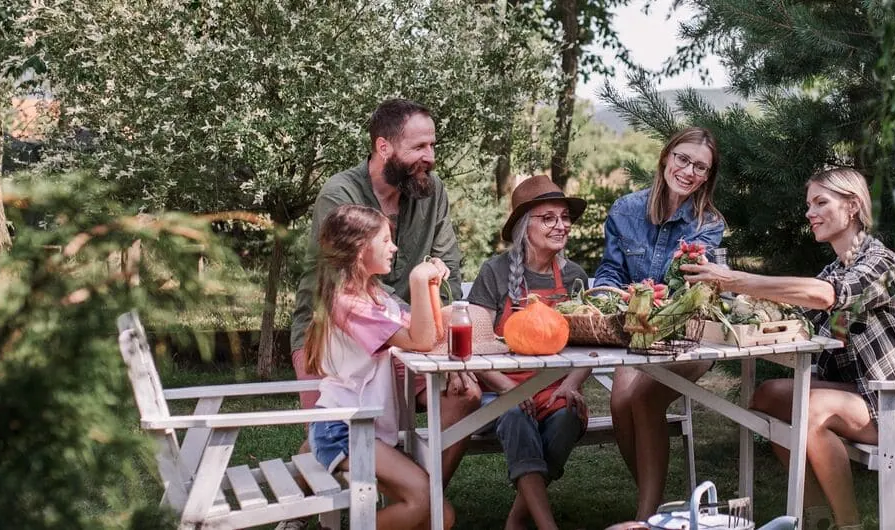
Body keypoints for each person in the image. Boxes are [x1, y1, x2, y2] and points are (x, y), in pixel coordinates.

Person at [679, 168, 895, 530]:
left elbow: (829, 296)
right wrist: (733, 301)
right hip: (873, 396)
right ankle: (816, 520)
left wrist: (738, 279)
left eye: (820, 202)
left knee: (809, 410)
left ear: (853, 207)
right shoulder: (837, 267)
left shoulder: (882, 263)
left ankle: (848, 526)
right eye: (808, 204)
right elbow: (809, 323)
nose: (810, 212)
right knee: (767, 396)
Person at [288, 98, 480, 488]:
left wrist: (438, 347)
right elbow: (347, 285)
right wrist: (416, 328)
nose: (430, 157)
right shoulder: (339, 193)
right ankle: (301, 510)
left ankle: (423, 501)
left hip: (408, 334)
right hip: (332, 336)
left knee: (465, 395)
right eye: (419, 148)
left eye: (433, 146)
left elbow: (450, 272)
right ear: (383, 147)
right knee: (331, 431)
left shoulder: (432, 191)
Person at [593, 127, 727, 519]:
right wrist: (605, 295)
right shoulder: (625, 210)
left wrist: (660, 296)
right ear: (666, 158)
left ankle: (645, 516)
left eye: (700, 167)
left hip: (689, 336)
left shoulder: (708, 224)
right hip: (637, 333)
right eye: (682, 159)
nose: (688, 171)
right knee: (620, 402)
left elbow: (697, 290)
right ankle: (663, 512)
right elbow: (610, 272)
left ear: (707, 176)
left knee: (644, 398)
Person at [301, 204, 455, 529]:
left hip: (365, 429)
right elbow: (422, 341)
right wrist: (416, 277)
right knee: (423, 501)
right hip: (343, 429)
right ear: (360, 248)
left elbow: (431, 330)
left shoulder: (374, 296)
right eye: (386, 240)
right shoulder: (348, 304)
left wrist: (431, 286)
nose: (394, 248)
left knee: (442, 517)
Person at [463, 175, 592, 530]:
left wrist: (574, 384)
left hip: (555, 391)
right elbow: (475, 343)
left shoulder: (575, 277)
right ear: (525, 226)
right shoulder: (495, 272)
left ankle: (517, 519)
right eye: (548, 217)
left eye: (564, 217)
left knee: (569, 416)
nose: (560, 225)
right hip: (497, 390)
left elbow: (588, 348)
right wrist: (507, 388)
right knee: (515, 416)